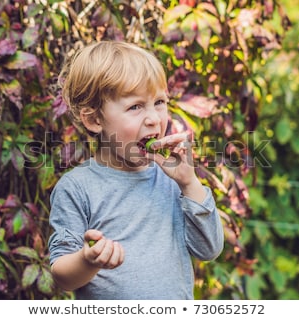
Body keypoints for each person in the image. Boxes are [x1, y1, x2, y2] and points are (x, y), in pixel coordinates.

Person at [48, 41, 224, 299]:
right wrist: (88, 261)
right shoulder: (77, 188)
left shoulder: (171, 180)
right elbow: (62, 275)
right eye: (135, 107)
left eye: (160, 102)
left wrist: (190, 184)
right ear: (95, 120)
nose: (154, 118)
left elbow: (209, 250)